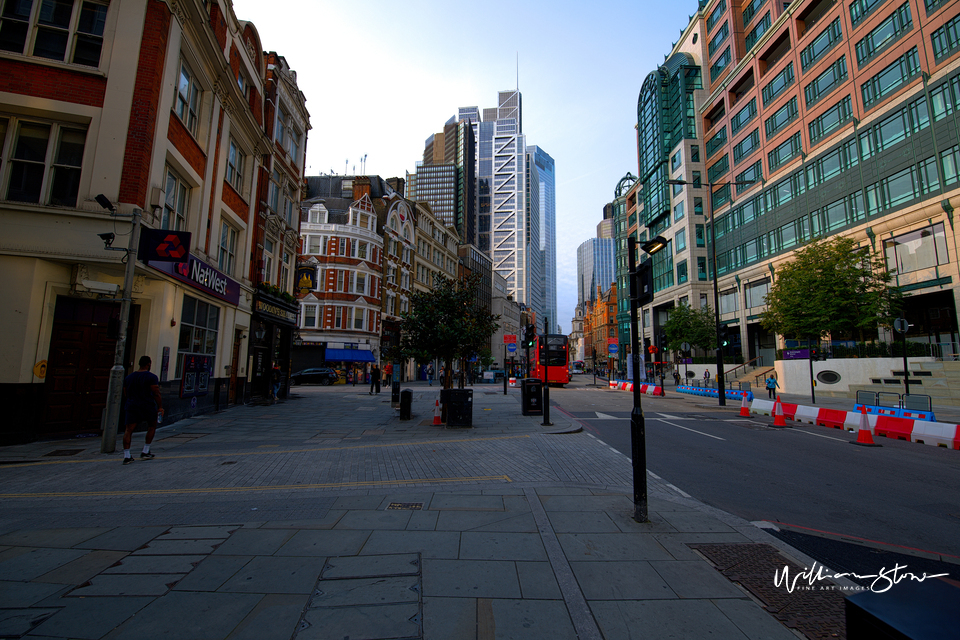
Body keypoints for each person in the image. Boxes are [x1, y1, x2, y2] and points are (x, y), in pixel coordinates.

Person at [122, 355, 163, 465]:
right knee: (152, 426)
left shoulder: (129, 377)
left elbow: (125, 392)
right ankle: (145, 450)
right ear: (149, 364)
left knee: (128, 430)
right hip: (147, 405)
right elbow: (156, 392)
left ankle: (127, 455)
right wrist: (160, 406)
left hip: (132, 405)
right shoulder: (151, 377)